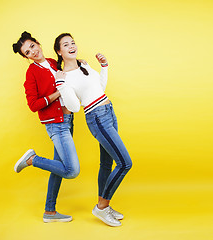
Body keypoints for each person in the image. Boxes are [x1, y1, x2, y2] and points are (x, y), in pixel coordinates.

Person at [53, 33, 132, 227]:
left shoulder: (84, 65)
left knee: (107, 164)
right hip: (97, 117)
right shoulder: (64, 76)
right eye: (66, 44)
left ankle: (104, 206)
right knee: (124, 163)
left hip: (108, 111)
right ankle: (101, 207)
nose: (71, 46)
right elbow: (73, 107)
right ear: (59, 52)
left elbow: (100, 87)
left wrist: (104, 67)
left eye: (72, 42)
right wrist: (61, 84)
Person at [12, 31, 81, 223]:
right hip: (56, 124)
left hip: (68, 120)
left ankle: (49, 212)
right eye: (27, 52)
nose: (32, 52)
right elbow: (34, 105)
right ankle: (32, 159)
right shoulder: (32, 72)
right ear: (26, 57)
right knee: (71, 170)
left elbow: (69, 76)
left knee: (59, 168)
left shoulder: (52, 62)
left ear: (37, 43)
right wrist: (56, 94)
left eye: (32, 46)